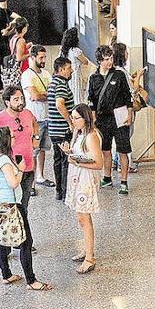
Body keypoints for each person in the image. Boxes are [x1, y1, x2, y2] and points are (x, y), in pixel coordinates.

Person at [0, 126, 50, 291]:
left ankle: (6, 275)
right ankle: (31, 280)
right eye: (12, 136)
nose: (15, 138)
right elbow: (14, 183)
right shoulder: (5, 161)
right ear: (6, 140)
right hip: (12, 206)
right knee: (26, 242)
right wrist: (21, 168)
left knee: (2, 240)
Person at [0, 85, 39, 211]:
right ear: (7, 102)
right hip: (11, 172)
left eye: (22, 98)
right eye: (16, 99)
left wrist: (35, 138)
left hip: (28, 168)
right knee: (12, 209)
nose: (21, 102)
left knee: (24, 207)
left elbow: (35, 122)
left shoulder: (27, 114)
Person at [87, 45, 134, 194]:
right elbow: (91, 100)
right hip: (102, 119)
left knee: (122, 150)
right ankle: (107, 177)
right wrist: (93, 119)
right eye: (106, 59)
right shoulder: (93, 78)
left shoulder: (119, 75)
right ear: (99, 61)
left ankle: (124, 181)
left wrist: (129, 113)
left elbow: (128, 95)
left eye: (111, 58)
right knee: (105, 149)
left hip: (119, 118)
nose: (110, 62)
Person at [66, 104, 103, 274]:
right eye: (72, 117)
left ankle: (90, 258)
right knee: (81, 218)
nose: (73, 121)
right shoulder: (79, 133)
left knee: (84, 218)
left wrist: (76, 161)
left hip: (86, 181)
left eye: (76, 118)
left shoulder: (91, 137)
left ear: (85, 118)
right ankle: (87, 250)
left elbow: (98, 163)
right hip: (77, 178)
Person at [21, 44, 52, 189]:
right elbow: (35, 96)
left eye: (44, 57)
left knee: (43, 149)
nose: (43, 60)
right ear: (32, 57)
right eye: (41, 57)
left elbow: (53, 93)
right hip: (34, 119)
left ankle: (40, 176)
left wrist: (43, 95)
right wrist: (45, 95)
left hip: (47, 117)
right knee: (33, 150)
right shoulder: (27, 75)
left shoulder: (46, 74)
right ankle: (30, 183)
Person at [48, 56, 76, 200]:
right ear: (61, 70)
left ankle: (59, 191)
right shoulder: (60, 85)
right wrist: (70, 122)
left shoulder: (53, 83)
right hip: (62, 131)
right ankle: (65, 192)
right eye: (69, 68)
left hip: (53, 129)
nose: (71, 71)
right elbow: (60, 104)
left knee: (58, 160)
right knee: (66, 162)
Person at [61, 26, 91, 106]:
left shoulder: (62, 50)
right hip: (74, 76)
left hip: (64, 75)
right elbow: (85, 62)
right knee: (77, 97)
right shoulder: (75, 51)